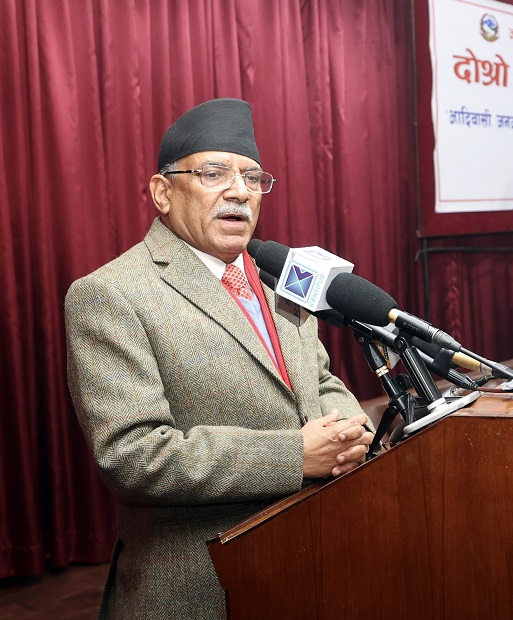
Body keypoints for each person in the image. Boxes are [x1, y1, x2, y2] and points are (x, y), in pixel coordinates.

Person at [65, 98, 374, 619]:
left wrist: (350, 429)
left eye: (253, 178)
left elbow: (318, 380)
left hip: (312, 565)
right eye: (214, 173)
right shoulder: (111, 294)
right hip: (199, 587)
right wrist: (294, 456)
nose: (239, 191)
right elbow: (133, 456)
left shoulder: (279, 278)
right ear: (163, 192)